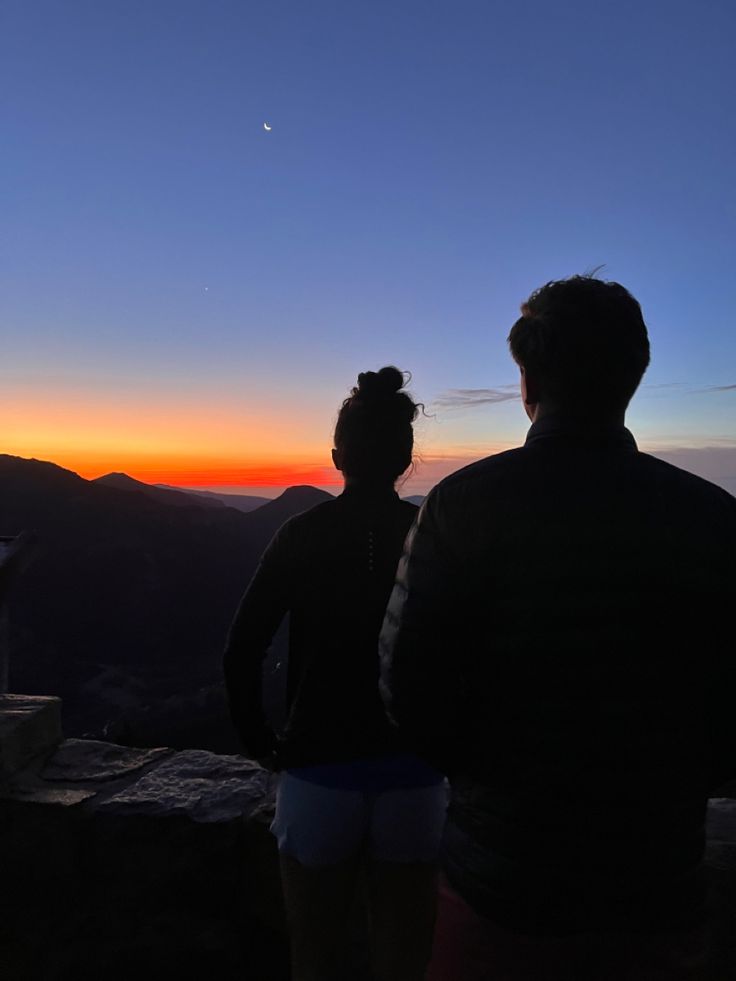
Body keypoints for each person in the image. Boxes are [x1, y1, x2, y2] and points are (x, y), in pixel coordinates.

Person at [379, 276, 736, 981]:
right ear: (634, 376)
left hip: (500, 891)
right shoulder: (713, 519)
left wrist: (496, 785)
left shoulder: (461, 507)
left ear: (528, 378)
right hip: (656, 890)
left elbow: (406, 694)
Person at [224, 366, 446, 981]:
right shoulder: (430, 536)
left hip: (317, 769)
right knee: (405, 957)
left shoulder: (302, 534)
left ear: (336, 454)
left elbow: (242, 649)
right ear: (405, 457)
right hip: (415, 776)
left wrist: (262, 744)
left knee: (315, 956)